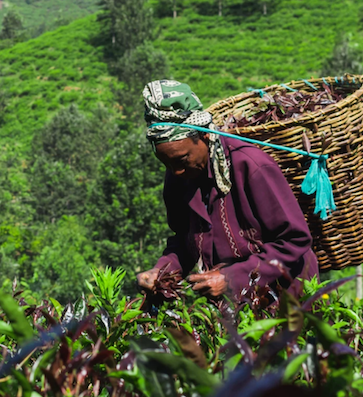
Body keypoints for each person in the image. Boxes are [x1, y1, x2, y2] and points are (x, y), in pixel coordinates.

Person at [136, 80, 319, 300]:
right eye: (166, 163)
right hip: (234, 309)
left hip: (288, 298)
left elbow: (295, 240)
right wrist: (162, 271)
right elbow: (184, 239)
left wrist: (232, 278)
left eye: (182, 159)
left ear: (203, 135)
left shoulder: (251, 166)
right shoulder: (179, 174)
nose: (175, 171)